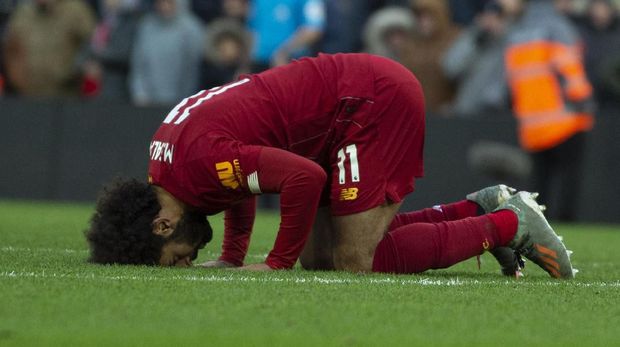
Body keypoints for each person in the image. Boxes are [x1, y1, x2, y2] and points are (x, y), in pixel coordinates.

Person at [85, 53, 575, 279]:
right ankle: (475, 209)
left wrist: (274, 262)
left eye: (175, 256)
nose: (187, 261)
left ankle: (509, 223)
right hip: (336, 115)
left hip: (366, 105)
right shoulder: (168, 166)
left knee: (355, 261)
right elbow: (241, 179)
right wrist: (233, 254)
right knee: (321, 259)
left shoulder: (194, 167)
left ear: (162, 223)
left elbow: (303, 178)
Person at [501, 0, 595, 222]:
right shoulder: (558, 27)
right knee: (568, 176)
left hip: (531, 123)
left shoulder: (516, 33)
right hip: (565, 118)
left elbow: (509, 82)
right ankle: (566, 222)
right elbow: (569, 68)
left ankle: (538, 225)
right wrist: (584, 101)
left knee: (540, 182)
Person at [3, 0, 96, 97]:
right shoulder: (23, 13)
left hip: (66, 95)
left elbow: (93, 46)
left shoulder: (75, 11)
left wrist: (85, 71)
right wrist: (17, 80)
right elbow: (11, 51)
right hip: (28, 95)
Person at [442, 0, 511, 118]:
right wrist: (476, 38)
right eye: (487, 16)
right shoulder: (472, 38)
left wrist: (502, 38)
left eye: (497, 17)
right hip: (466, 113)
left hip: (499, 117)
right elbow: (449, 68)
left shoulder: (511, 43)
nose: (491, 21)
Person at [129, 0, 204, 106]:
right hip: (147, 102)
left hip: (181, 104)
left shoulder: (192, 29)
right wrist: (139, 93)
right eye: (160, 2)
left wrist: (186, 102)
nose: (164, 6)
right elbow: (139, 63)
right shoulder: (146, 26)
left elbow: (192, 72)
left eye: (169, 2)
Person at [399, 0, 460, 113]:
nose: (424, 22)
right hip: (415, 112)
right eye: (420, 18)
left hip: (448, 113)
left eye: (429, 17)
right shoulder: (411, 43)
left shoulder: (456, 39)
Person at [246, 0, 325, 72]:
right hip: (258, 63)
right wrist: (245, 64)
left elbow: (313, 30)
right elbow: (252, 29)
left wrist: (284, 52)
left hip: (290, 63)